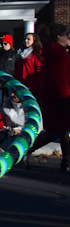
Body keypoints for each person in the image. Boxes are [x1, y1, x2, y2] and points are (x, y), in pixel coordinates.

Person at [38, 23, 70, 171]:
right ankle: (67, 161)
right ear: (59, 36)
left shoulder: (52, 53)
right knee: (60, 130)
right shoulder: (60, 54)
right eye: (66, 34)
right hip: (61, 98)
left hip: (54, 98)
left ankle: (67, 161)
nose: (68, 37)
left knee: (59, 131)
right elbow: (62, 80)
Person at [0, 34, 17, 109]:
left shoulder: (14, 55)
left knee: (9, 101)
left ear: (10, 44)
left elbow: (16, 68)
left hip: (9, 82)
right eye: (2, 44)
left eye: (5, 43)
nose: (3, 45)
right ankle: (0, 117)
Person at [15, 32, 43, 100]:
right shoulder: (20, 53)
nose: (26, 41)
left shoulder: (37, 53)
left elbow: (39, 71)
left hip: (32, 87)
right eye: (25, 39)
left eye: (28, 39)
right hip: (20, 85)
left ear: (34, 40)